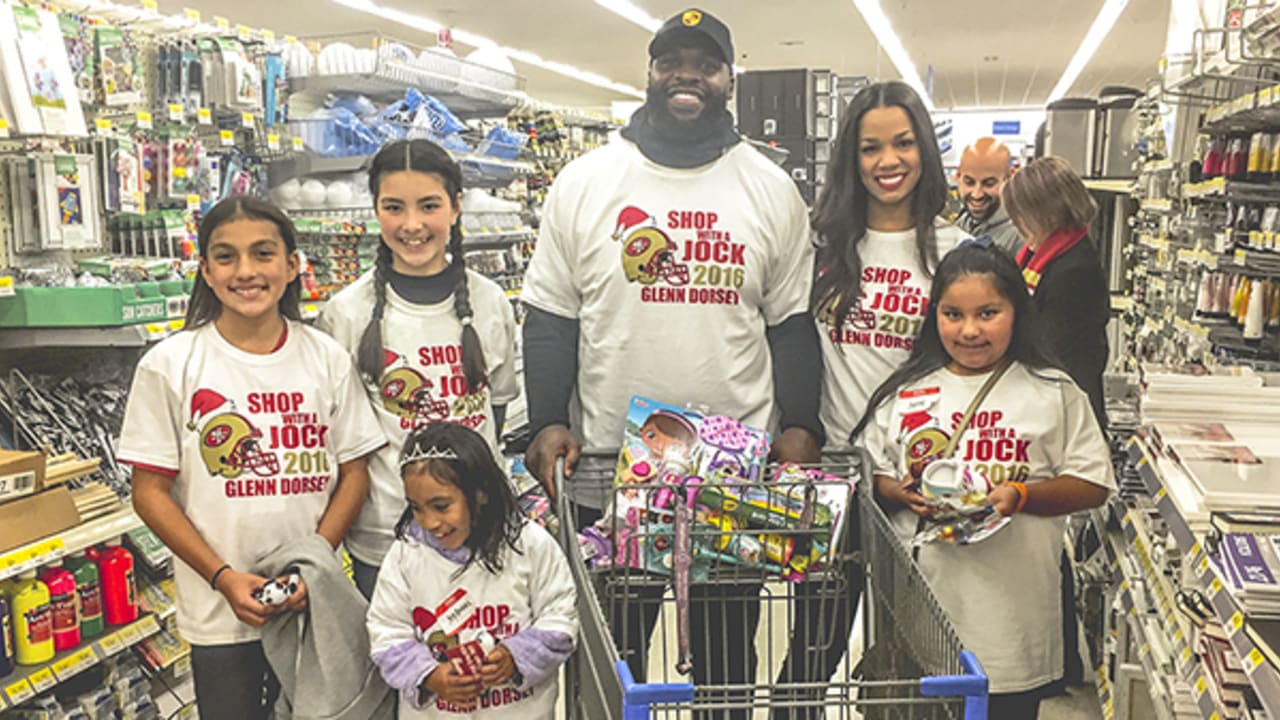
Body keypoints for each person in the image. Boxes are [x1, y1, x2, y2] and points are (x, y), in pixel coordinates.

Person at [520, 8, 822, 711]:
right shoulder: (586, 181)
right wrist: (543, 422)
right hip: (608, 474)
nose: (687, 74)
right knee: (607, 661)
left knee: (725, 662)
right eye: (671, 61)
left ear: (728, 80)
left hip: (729, 477)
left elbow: (793, 326)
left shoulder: (769, 188)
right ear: (651, 74)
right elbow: (550, 321)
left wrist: (801, 423)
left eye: (705, 63)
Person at [118, 196, 386, 720]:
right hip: (220, 611)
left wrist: (315, 565)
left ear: (291, 266)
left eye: (263, 254)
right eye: (226, 256)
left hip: (315, 603)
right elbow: (149, 492)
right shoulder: (170, 366)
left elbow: (354, 472)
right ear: (205, 269)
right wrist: (222, 576)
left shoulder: (325, 357)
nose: (245, 271)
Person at [856, 242, 1114, 719]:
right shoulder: (907, 393)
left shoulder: (1053, 392)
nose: (970, 330)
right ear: (934, 316)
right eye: (953, 314)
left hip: (1014, 628)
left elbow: (1093, 484)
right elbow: (872, 478)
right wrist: (894, 491)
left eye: (988, 312)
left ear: (1018, 312)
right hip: (923, 623)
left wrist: (1022, 495)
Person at [777, 81, 965, 717]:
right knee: (811, 651)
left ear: (925, 151)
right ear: (850, 160)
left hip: (917, 486)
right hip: (834, 481)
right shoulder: (822, 246)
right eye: (871, 147)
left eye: (904, 143)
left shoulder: (956, 253)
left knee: (912, 658)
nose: (889, 161)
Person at [319, 139, 519, 599]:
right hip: (386, 538)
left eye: (429, 205)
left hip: (481, 531)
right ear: (375, 210)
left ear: (456, 208)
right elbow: (341, 439)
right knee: (397, 664)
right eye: (394, 207)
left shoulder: (490, 303)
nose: (412, 225)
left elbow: (498, 412)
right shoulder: (346, 313)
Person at [366, 422, 577, 719]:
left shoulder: (530, 545)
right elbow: (386, 631)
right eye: (416, 507)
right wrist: (430, 675)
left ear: (481, 493)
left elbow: (560, 615)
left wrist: (515, 656)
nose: (429, 522)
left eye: (441, 506)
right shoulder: (406, 555)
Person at [1000, 155, 1109, 430]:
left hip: (1066, 408)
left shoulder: (1073, 270)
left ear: (1045, 213)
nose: (1015, 224)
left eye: (1020, 216)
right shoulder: (1043, 255)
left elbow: (1055, 349)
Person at [954, 137, 1021, 255]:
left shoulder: (1021, 236)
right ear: (958, 176)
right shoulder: (960, 225)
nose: (977, 194)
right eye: (969, 182)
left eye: (989, 184)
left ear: (1010, 179)